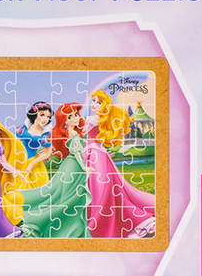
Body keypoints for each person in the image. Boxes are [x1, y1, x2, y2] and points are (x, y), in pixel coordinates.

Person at [85, 89, 156, 238]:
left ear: (105, 105)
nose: (94, 104)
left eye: (98, 102)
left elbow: (82, 133)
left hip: (94, 153)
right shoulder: (101, 119)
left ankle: (98, 218)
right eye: (93, 101)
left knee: (101, 186)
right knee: (104, 185)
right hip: (97, 152)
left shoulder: (94, 119)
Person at [21, 103, 93, 238]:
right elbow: (76, 152)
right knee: (68, 200)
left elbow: (62, 152)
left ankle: (65, 229)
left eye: (76, 115)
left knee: (61, 197)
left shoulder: (68, 133)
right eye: (70, 117)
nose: (75, 118)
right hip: (74, 167)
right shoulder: (73, 134)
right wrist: (84, 167)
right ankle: (48, 224)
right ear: (64, 120)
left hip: (68, 166)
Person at [15, 101, 53, 188]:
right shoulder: (22, 129)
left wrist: (32, 163)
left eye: (48, 117)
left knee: (35, 187)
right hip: (21, 161)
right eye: (42, 115)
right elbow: (17, 145)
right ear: (34, 114)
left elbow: (47, 153)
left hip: (34, 163)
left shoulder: (45, 134)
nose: (45, 119)